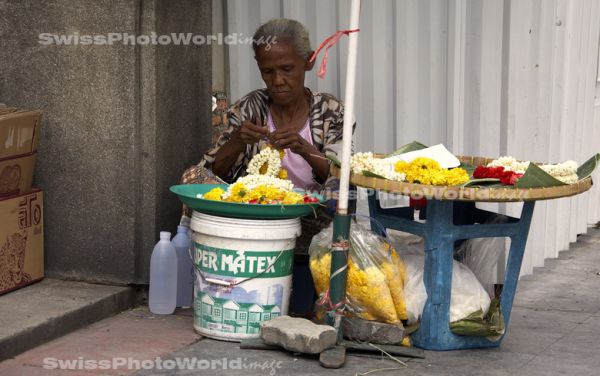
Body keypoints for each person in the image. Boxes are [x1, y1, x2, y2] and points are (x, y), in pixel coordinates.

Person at [180, 18, 355, 253]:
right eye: (268, 71)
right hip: (257, 215)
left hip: (309, 216)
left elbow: (341, 174)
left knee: (341, 188)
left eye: (287, 69)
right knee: (193, 177)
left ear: (309, 62)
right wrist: (238, 141)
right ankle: (206, 256)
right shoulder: (249, 108)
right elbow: (215, 172)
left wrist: (304, 148)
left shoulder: (332, 111)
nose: (278, 81)